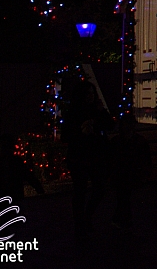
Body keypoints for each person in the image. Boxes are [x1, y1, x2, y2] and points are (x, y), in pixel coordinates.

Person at [62, 80, 111, 237]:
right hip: (79, 156)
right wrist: (80, 131)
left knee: (100, 187)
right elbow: (66, 135)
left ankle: (86, 216)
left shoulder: (96, 110)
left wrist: (99, 116)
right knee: (80, 190)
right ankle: (80, 222)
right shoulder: (73, 112)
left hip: (96, 155)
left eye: (92, 93)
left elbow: (110, 124)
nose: (90, 96)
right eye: (87, 93)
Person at [109, 113, 150, 228]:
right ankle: (123, 218)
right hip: (125, 173)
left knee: (123, 197)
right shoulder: (136, 141)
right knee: (124, 197)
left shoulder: (119, 141)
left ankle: (122, 218)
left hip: (126, 172)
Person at [0, 133, 44, 200]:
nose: (5, 149)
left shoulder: (14, 162)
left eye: (7, 146)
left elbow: (29, 176)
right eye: (4, 146)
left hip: (10, 199)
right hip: (9, 199)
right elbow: (29, 176)